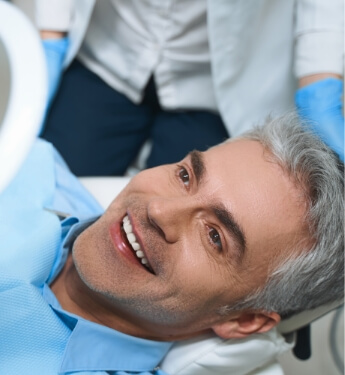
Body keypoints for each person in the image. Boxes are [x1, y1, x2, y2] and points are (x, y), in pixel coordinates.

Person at [0, 114, 343, 374]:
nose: (158, 210)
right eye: (185, 176)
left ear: (245, 320)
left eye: (214, 237)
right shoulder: (29, 164)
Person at [35, 0, 344, 176]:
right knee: (48, 190)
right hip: (110, 49)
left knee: (180, 236)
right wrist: (50, 32)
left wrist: (320, 79)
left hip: (214, 84)